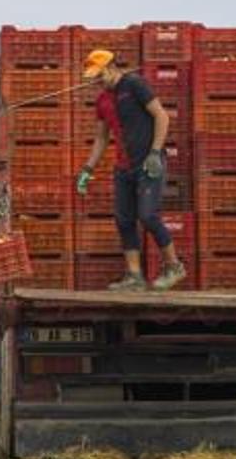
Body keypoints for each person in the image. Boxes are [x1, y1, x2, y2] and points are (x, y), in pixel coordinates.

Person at [75, 49, 187, 292]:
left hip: (148, 163)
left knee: (148, 216)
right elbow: (101, 138)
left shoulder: (134, 84)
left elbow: (162, 116)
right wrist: (87, 168)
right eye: (94, 77)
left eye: (100, 75)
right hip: (123, 167)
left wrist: (155, 152)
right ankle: (135, 276)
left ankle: (174, 266)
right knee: (124, 219)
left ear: (111, 67)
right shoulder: (102, 101)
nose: (97, 81)